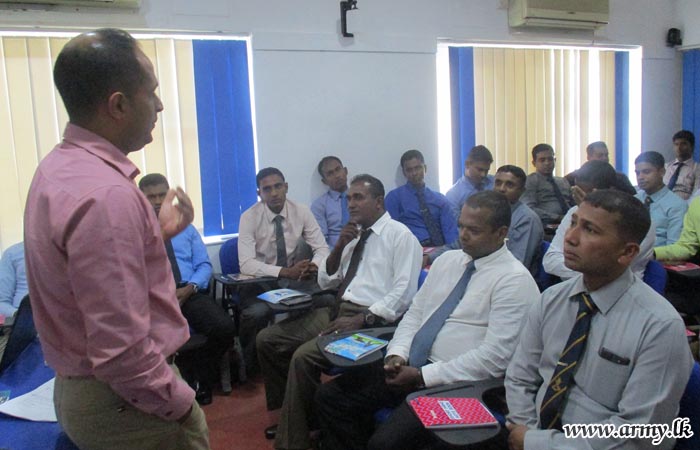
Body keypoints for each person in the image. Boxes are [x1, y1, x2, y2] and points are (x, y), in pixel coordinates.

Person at [23, 28, 209, 449]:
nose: (160, 105)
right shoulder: (107, 195)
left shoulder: (60, 167)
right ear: (118, 105)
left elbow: (83, 273)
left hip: (92, 391)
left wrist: (154, 235)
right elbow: (121, 350)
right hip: (129, 402)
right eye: (152, 92)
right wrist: (180, 404)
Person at [315, 191, 539, 450]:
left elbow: (494, 359)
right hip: (413, 367)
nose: (463, 235)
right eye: (461, 226)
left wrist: (423, 376)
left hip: (457, 384)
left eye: (474, 230)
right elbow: (415, 314)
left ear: (501, 233)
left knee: (384, 444)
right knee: (330, 397)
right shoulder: (447, 261)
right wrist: (397, 354)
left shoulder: (514, 281)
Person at [505, 189, 693, 450]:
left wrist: (539, 444)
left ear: (627, 252)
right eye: (573, 223)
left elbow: (640, 435)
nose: (570, 238)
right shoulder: (552, 300)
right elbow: (520, 376)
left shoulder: (659, 326)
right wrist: (525, 431)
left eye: (590, 230)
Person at [269, 174, 423, 450]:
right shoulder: (354, 238)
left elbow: (403, 295)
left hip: (370, 319)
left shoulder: (401, 237)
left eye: (358, 198)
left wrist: (362, 318)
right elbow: (327, 281)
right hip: (337, 309)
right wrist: (340, 245)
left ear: (379, 202)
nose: (350, 204)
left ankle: (294, 439)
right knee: (269, 340)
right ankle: (303, 418)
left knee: (303, 357)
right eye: (349, 198)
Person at [139, 173, 236, 405]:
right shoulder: (135, 232)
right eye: (151, 196)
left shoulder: (187, 229)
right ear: (140, 198)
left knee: (224, 328)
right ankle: (176, 383)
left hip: (189, 292)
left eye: (162, 195)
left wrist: (191, 287)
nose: (157, 201)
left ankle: (201, 377)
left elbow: (204, 265)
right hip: (154, 299)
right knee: (147, 340)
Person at [237, 167, 330, 375]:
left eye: (278, 186)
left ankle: (306, 356)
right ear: (259, 193)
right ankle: (252, 367)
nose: (274, 193)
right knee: (254, 314)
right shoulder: (249, 217)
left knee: (327, 300)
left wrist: (314, 265)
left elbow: (322, 248)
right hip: (261, 281)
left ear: (286, 187)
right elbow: (246, 264)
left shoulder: (301, 211)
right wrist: (284, 272)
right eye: (267, 189)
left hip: (295, 280)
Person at [543, 160, 655, 280]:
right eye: (576, 191)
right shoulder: (576, 212)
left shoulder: (638, 220)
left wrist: (580, 268)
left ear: (611, 190)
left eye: (588, 193)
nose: (580, 198)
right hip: (575, 286)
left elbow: (612, 269)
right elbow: (551, 260)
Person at [385, 149, 458, 246]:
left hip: (439, 248)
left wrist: (452, 252)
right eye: (409, 170)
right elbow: (391, 231)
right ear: (404, 173)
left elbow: (450, 232)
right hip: (412, 247)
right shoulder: (394, 198)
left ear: (425, 168)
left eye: (418, 168)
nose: (414, 173)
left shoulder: (440, 199)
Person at [634, 151, 687, 246]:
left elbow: (673, 245)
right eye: (637, 173)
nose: (640, 177)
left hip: (658, 253)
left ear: (662, 172)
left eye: (646, 172)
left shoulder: (677, 206)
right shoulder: (634, 200)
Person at [521, 143, 573, 226]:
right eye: (542, 160)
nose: (547, 163)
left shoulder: (563, 181)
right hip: (546, 225)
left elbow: (573, 204)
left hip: (570, 222)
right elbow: (529, 209)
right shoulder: (530, 181)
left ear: (555, 160)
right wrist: (558, 217)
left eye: (550, 159)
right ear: (534, 163)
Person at [564, 141, 636, 195]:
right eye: (600, 155)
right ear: (589, 157)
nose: (605, 158)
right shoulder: (572, 178)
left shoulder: (620, 178)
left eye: (606, 155)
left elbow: (633, 198)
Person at [311, 156, 350, 247]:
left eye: (338, 170)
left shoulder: (362, 197)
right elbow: (320, 242)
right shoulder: (319, 206)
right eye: (330, 174)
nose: (336, 176)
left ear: (345, 171)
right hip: (336, 251)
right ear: (324, 181)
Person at [445, 145, 494, 216]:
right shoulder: (453, 195)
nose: (483, 175)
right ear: (467, 164)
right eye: (480, 170)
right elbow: (457, 221)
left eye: (486, 171)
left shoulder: (495, 182)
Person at [664, 130, 700, 200]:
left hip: (684, 204)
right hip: (661, 203)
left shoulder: (697, 168)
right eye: (676, 144)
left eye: (683, 144)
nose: (679, 148)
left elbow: (696, 195)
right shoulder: (666, 167)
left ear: (692, 147)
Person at [0, 242, 28, 318]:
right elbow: (2, 302)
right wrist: (18, 315)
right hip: (23, 316)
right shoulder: (12, 254)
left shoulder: (57, 252)